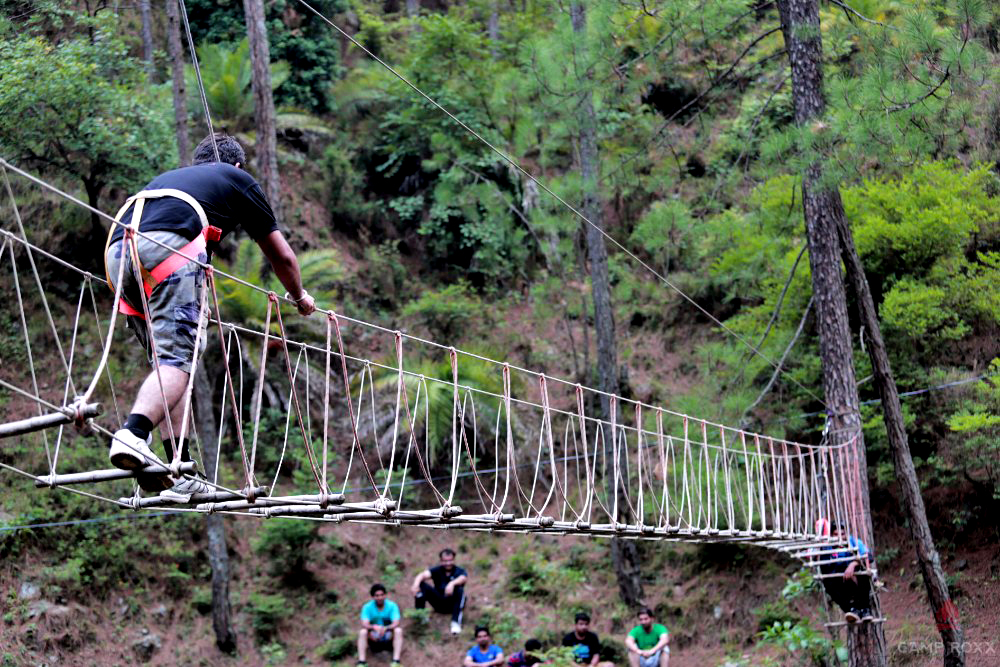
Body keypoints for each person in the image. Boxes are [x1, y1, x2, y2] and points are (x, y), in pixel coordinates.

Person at [104, 133, 315, 500]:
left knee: (171, 364)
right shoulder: (237, 179)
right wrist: (299, 297)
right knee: (176, 363)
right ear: (236, 166)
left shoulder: (174, 180)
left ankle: (180, 468)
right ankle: (133, 435)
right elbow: (281, 256)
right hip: (168, 248)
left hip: (118, 253)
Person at [815, 518, 875, 623]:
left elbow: (868, 556)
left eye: (842, 534)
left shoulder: (853, 541)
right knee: (827, 582)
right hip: (839, 581)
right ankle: (850, 610)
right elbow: (824, 568)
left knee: (863, 570)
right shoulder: (828, 547)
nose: (840, 537)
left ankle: (865, 609)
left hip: (856, 578)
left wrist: (853, 564)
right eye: (835, 534)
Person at [411, 547, 468, 634]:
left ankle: (455, 623)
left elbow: (463, 578)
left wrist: (452, 584)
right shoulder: (437, 570)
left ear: (454, 560)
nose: (448, 563)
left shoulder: (459, 571)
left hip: (452, 604)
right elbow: (422, 575)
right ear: (441, 561)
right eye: (445, 561)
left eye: (450, 560)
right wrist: (415, 585)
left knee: (460, 590)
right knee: (421, 585)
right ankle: (421, 616)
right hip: (439, 602)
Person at [357, 583, 403, 667]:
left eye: (382, 595)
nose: (380, 597)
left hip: (388, 635)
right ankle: (362, 662)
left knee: (398, 630)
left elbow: (396, 622)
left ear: (385, 595)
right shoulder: (367, 607)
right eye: (377, 595)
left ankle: (396, 661)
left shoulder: (392, 606)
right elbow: (364, 623)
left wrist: (385, 628)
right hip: (373, 636)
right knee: (362, 632)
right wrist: (374, 627)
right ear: (373, 597)